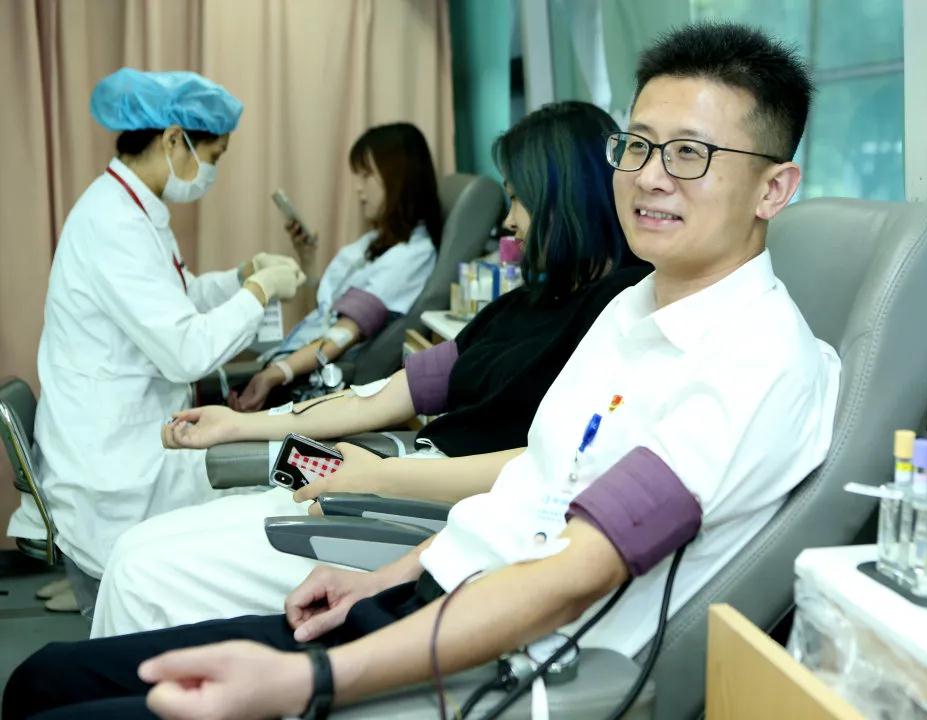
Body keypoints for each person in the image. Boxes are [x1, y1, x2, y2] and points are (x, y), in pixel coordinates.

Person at [4, 23, 842, 720]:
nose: (650, 176)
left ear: (774, 188)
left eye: (690, 153)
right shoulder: (632, 311)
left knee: (83, 670)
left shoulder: (752, 366)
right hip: (425, 586)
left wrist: (309, 679)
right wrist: (381, 577)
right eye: (639, 145)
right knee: (39, 680)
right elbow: (529, 487)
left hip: (492, 654)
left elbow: (568, 577)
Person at [89, 101, 650, 636]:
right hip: (392, 483)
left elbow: (550, 468)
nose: (508, 221)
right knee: (135, 549)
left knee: (142, 572)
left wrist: (377, 476)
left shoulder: (618, 310)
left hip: (432, 518)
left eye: (519, 200)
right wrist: (238, 424)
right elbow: (381, 397)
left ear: (560, 198)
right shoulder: (524, 303)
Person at [4, 68, 306, 613]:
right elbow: (186, 350)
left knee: (248, 486)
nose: (211, 172)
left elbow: (177, 298)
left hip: (125, 434)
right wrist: (259, 291)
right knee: (258, 501)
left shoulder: (132, 207)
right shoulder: (114, 224)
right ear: (173, 139)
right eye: (212, 157)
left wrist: (240, 277)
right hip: (113, 464)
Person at [232, 123, 443, 412]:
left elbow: (341, 334)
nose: (358, 188)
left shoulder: (411, 257)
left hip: (305, 383)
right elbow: (326, 314)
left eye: (366, 175)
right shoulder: (378, 243)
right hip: (292, 358)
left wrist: (276, 374)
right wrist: (307, 258)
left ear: (398, 177)